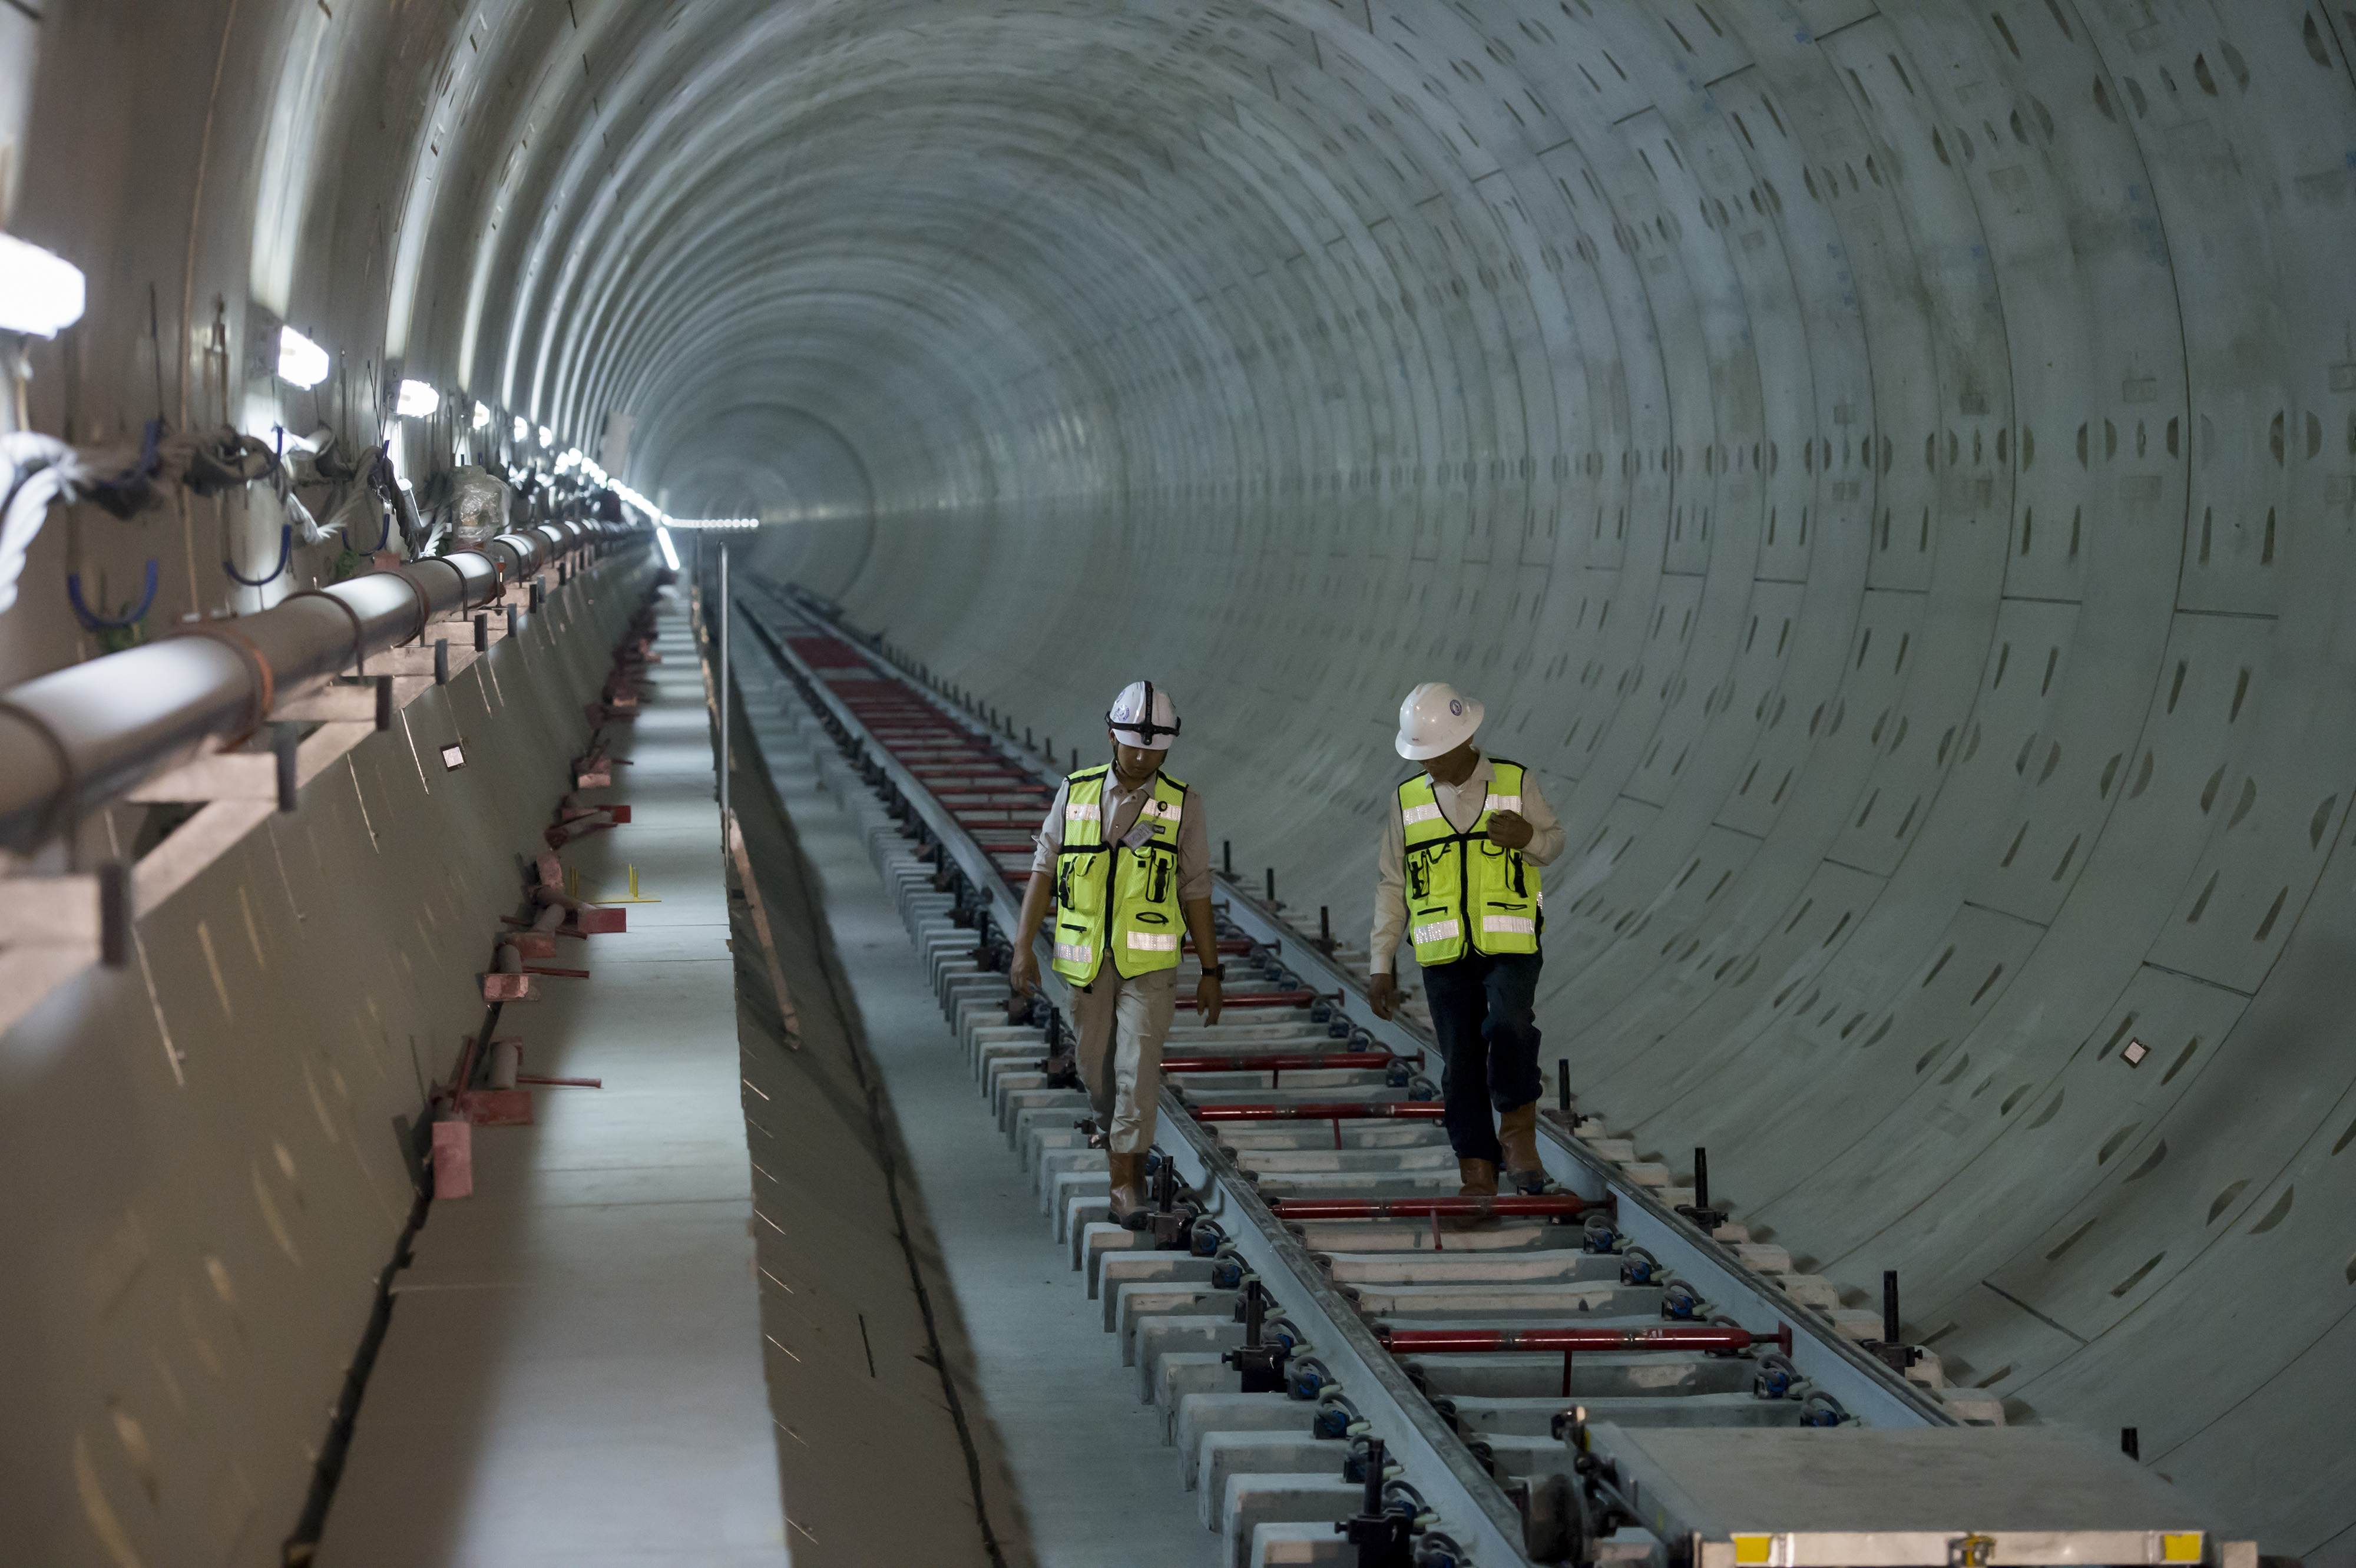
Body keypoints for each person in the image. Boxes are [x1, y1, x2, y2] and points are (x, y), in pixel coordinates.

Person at [1008, 680, 1223, 1224]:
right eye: (1134, 746)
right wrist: (1022, 949)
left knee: (1138, 1065)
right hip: (1085, 963)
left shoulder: (1182, 805)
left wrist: (1211, 968)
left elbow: (1195, 889)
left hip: (1150, 965)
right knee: (1096, 1069)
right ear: (1111, 737)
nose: (1145, 756)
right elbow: (1043, 869)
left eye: (1155, 748)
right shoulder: (1075, 793)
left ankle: (1125, 1179)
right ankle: (1114, 1138)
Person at [1369, 682, 1564, 1210]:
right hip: (1443, 954)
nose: (1427, 765)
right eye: (1420, 756)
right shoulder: (1407, 803)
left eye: (1433, 754)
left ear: (1466, 739)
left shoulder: (1515, 782)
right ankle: (1477, 1168)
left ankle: (1518, 1133)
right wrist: (1381, 963)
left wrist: (1527, 838)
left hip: (1511, 945)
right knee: (1460, 1062)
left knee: (1509, 1025)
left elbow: (1553, 843)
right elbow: (1393, 884)